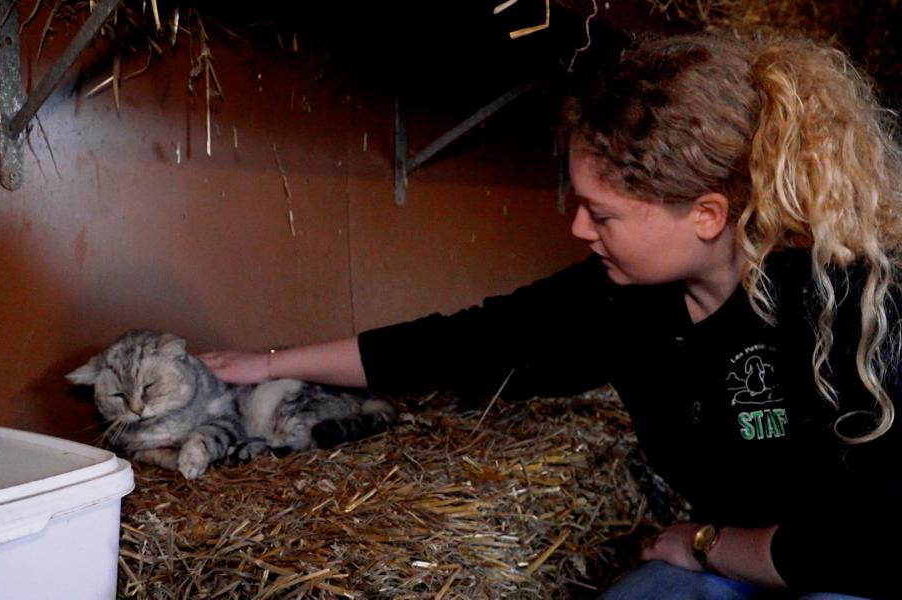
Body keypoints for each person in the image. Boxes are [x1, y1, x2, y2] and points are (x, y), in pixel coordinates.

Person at [200, 32, 902, 599]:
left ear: (706, 216)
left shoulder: (856, 302)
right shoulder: (621, 296)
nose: (577, 230)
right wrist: (267, 364)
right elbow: (467, 344)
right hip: (735, 554)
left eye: (601, 213)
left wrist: (704, 544)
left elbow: (862, 543)